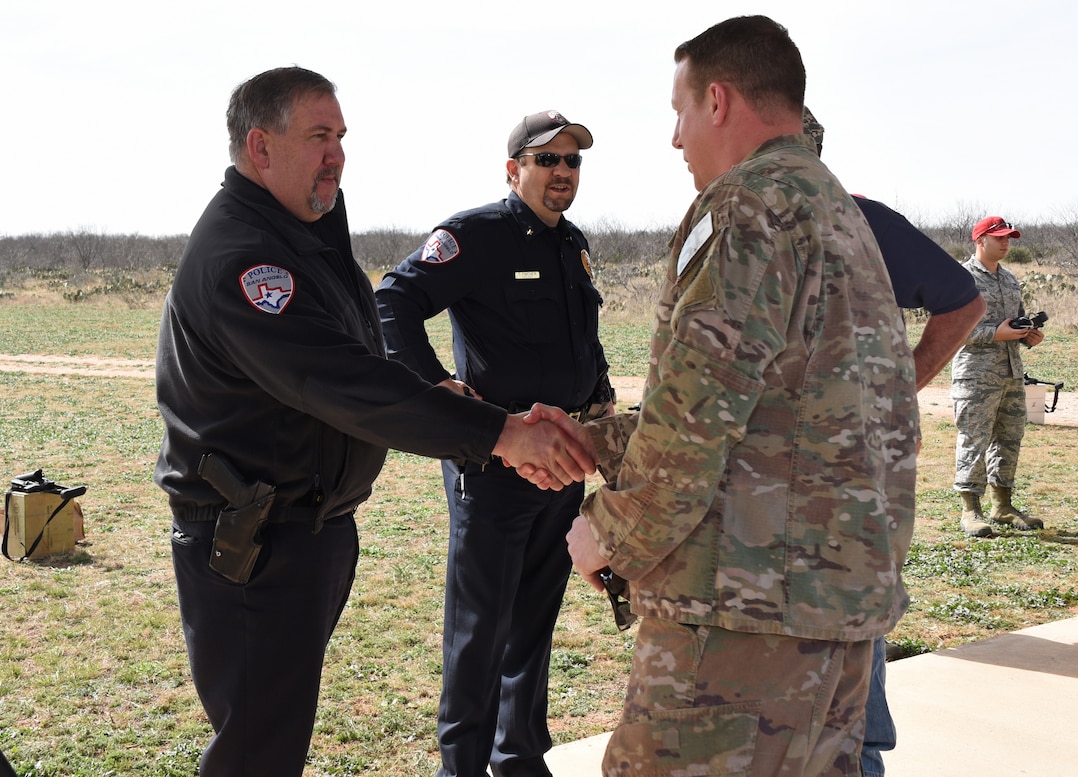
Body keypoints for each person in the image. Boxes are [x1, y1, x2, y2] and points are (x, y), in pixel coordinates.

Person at [154, 67, 594, 777]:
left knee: (273, 737)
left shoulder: (302, 230)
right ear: (260, 147)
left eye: (341, 137)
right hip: (252, 541)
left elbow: (360, 344)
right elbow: (346, 378)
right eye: (318, 137)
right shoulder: (244, 256)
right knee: (255, 751)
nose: (337, 154)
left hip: (307, 530)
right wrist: (497, 430)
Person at [531, 16, 919, 776]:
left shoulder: (747, 206)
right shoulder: (834, 208)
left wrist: (608, 533)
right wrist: (592, 439)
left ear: (717, 100)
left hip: (744, 618)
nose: (676, 140)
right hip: (831, 610)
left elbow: (696, 419)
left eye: (679, 114)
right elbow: (783, 408)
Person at [375, 110, 613, 777]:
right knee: (480, 628)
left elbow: (580, 341)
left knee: (535, 620)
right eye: (548, 160)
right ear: (514, 170)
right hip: (497, 461)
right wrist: (440, 390)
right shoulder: (474, 236)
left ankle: (518, 757)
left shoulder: (572, 245)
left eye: (572, 162)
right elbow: (391, 302)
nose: (562, 172)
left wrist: (598, 401)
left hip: (562, 462)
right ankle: (463, 765)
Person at [805, 107, 986, 777]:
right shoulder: (748, 225)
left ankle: (864, 756)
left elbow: (962, 301)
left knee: (858, 603)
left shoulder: (862, 219)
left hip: (854, 470)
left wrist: (902, 383)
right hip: (780, 475)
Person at [952, 217, 1045, 536]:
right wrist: (996, 333)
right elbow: (952, 329)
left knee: (1008, 439)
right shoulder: (961, 278)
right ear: (980, 240)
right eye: (999, 237)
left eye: (1009, 238)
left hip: (1010, 373)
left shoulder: (1009, 279)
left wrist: (1025, 335)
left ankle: (1002, 506)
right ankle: (970, 510)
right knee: (974, 439)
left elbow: (1014, 323)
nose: (1006, 243)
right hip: (975, 375)